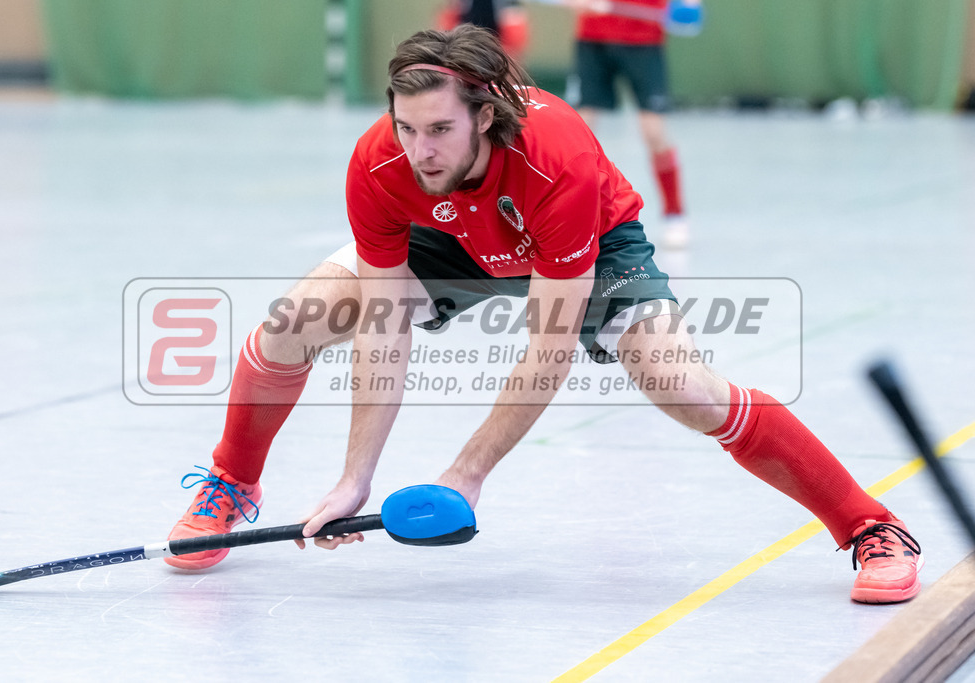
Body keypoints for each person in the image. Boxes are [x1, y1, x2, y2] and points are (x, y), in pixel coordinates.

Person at [165, 25, 922, 605]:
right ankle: (233, 480)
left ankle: (868, 524)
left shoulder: (554, 158)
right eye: (405, 125)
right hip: (452, 234)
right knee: (299, 317)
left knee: (682, 385)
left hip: (587, 239)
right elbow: (383, 324)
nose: (418, 148)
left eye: (439, 130)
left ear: (486, 116)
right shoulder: (383, 163)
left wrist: (467, 475)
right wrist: (353, 478)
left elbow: (548, 346)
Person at [568, 0, 691, 249]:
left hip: (643, 41)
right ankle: (571, 217)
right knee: (579, 132)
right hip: (594, 39)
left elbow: (688, 13)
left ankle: (674, 213)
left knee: (654, 133)